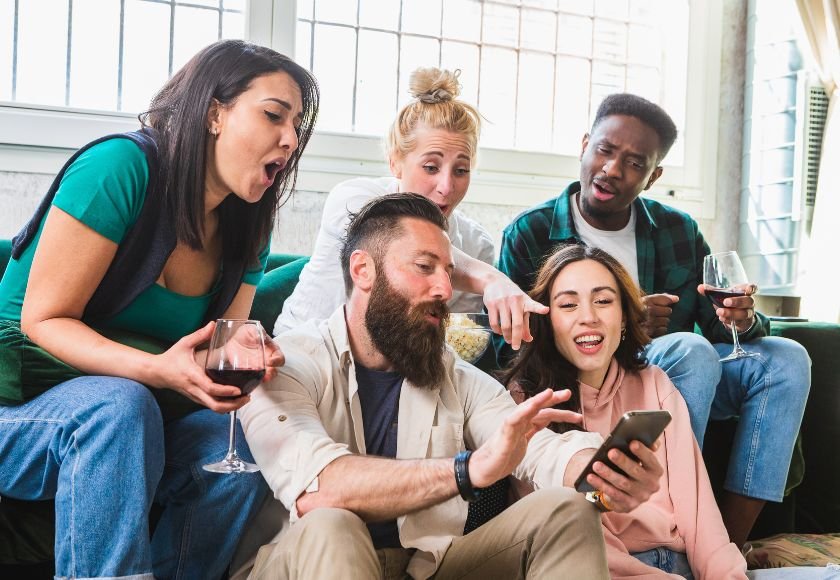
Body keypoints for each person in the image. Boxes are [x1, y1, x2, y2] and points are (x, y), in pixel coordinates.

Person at [0, 39, 318, 579]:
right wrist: (155, 368)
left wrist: (251, 351)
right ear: (214, 113)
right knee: (119, 406)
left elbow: (224, 340)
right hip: (22, 404)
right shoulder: (120, 167)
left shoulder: (249, 221)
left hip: (139, 416)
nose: (290, 139)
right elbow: (42, 319)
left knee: (240, 447)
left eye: (296, 126)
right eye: (273, 115)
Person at [239, 193, 664, 580]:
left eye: (448, 271)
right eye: (424, 267)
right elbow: (319, 490)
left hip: (425, 567)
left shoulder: (454, 376)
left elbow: (539, 449)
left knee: (569, 510)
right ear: (362, 270)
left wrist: (601, 471)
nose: (445, 289)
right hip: (308, 560)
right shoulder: (285, 363)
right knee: (333, 522)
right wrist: (467, 470)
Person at [498, 93, 811, 546]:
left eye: (633, 163)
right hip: (596, 379)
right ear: (584, 146)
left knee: (787, 358)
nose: (612, 169)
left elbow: (719, 323)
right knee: (691, 348)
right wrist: (620, 323)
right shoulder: (530, 232)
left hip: (681, 376)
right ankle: (671, 522)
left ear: (653, 176)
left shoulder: (678, 229)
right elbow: (510, 344)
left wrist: (740, 318)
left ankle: (726, 540)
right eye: (604, 150)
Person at [502, 244, 747, 579]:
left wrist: (727, 575)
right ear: (548, 321)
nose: (588, 316)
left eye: (603, 301)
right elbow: (571, 542)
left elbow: (698, 509)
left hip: (682, 563)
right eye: (568, 305)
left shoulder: (654, 382)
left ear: (623, 318)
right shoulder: (527, 400)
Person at [274, 67, 544, 350]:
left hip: (397, 370)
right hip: (303, 352)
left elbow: (453, 343)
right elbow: (402, 242)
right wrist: (489, 278)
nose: (446, 186)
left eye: (461, 170)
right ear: (395, 164)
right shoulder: (353, 199)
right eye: (431, 167)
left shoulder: (476, 244)